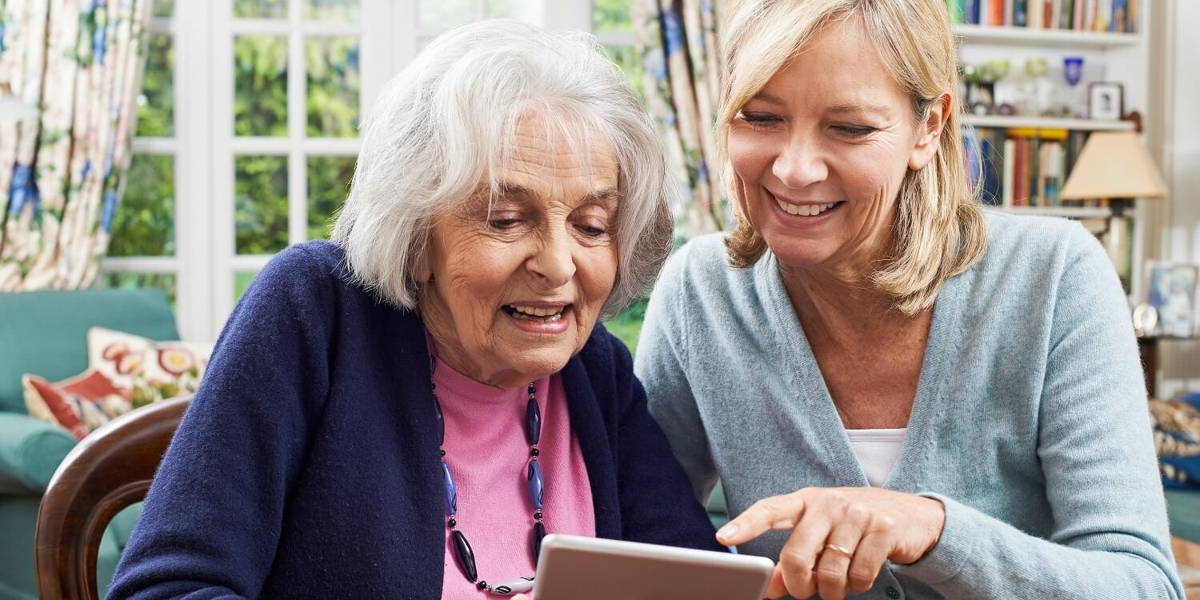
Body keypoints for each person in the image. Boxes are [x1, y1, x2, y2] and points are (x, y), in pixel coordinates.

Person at [107, 20, 721, 600]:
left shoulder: (594, 373)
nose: (559, 265)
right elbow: (165, 588)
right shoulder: (316, 314)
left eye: (591, 225)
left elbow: (694, 582)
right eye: (505, 219)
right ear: (416, 236)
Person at [634, 1, 1183, 599]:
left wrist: (932, 530)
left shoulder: (1052, 276)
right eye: (760, 117)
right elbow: (641, 543)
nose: (793, 169)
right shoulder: (702, 292)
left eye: (850, 128)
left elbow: (1145, 585)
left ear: (929, 127)